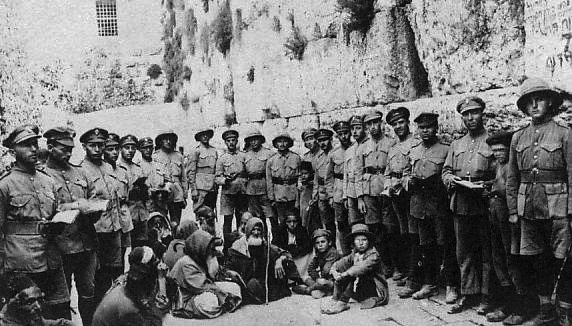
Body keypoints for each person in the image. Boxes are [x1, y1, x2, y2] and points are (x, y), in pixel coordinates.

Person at [506, 78, 572, 326]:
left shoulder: (565, 134)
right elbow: (512, 177)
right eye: (528, 102)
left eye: (539, 99)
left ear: (550, 102)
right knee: (537, 260)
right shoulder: (518, 138)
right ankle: (546, 311)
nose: (534, 105)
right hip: (528, 209)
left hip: (558, 208)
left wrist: (571, 211)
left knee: (563, 260)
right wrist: (513, 210)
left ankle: (565, 311)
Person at [0, 125, 70, 320]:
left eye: (35, 144)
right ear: (13, 151)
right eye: (26, 145)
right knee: (29, 316)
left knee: (60, 309)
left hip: (52, 258)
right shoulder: (5, 184)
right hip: (22, 263)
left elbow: (57, 213)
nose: (33, 149)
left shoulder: (47, 181)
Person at [44, 127, 103, 326]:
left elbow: (95, 200)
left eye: (71, 148)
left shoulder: (80, 172)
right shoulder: (43, 175)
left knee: (89, 294)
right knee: (61, 298)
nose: (68, 153)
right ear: (50, 147)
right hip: (61, 247)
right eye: (63, 148)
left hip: (86, 244)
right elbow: (44, 213)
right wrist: (70, 206)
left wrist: (93, 208)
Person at [443, 96, 496, 314]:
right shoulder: (456, 144)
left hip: (483, 205)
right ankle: (468, 294)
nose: (470, 118)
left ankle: (486, 297)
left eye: (474, 112)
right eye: (465, 114)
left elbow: (501, 173)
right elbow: (446, 170)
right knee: (463, 252)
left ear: (482, 113)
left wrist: (486, 185)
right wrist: (449, 179)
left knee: (486, 253)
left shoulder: (492, 141)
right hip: (461, 205)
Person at [401, 113, 459, 302]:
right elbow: (405, 173)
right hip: (419, 205)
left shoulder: (446, 149)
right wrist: (408, 180)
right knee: (425, 245)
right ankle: (429, 283)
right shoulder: (414, 150)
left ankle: (451, 285)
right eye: (422, 127)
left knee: (445, 244)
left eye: (429, 127)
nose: (425, 131)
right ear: (417, 129)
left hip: (438, 204)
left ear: (436, 128)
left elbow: (450, 173)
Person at [483, 131, 526, 324]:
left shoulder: (514, 165)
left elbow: (512, 189)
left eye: (501, 150)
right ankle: (507, 303)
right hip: (495, 213)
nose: (498, 154)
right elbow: (498, 183)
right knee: (498, 258)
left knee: (513, 260)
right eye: (495, 151)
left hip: (510, 216)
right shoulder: (497, 165)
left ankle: (520, 307)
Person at [79, 128, 125, 305]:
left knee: (117, 272)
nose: (97, 149)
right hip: (96, 231)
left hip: (114, 228)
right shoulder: (81, 170)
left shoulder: (108, 167)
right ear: (84, 147)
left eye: (101, 145)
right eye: (93, 145)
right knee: (99, 278)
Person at [354, 111, 396, 277]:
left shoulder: (392, 143)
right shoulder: (362, 148)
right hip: (369, 191)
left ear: (382, 124)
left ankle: (396, 265)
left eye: (375, 123)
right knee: (375, 230)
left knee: (390, 229)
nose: (372, 127)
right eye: (369, 124)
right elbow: (357, 173)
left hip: (387, 190)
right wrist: (360, 197)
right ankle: (383, 264)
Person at [169, 230, 242, 319]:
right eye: (209, 248)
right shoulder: (186, 263)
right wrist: (225, 296)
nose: (212, 250)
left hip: (204, 289)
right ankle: (222, 305)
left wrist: (228, 274)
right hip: (187, 298)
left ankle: (223, 305)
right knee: (210, 301)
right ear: (200, 247)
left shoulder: (202, 258)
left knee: (235, 287)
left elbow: (216, 275)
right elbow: (202, 286)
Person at [92, 246, 169, 326]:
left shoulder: (127, 278)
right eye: (155, 263)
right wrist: (161, 279)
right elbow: (159, 312)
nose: (159, 266)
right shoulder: (132, 287)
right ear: (146, 269)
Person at [384, 107, 419, 283]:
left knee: (414, 234)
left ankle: (414, 273)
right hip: (395, 194)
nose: (398, 126)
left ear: (407, 122)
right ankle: (405, 270)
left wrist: (403, 183)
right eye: (394, 124)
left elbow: (416, 169)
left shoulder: (416, 143)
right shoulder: (393, 147)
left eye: (401, 122)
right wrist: (388, 186)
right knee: (401, 233)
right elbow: (387, 172)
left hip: (410, 193)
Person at [322, 224, 389, 314]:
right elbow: (340, 263)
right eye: (358, 240)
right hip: (360, 288)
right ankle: (336, 299)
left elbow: (361, 267)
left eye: (364, 240)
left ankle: (342, 303)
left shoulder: (373, 255)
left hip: (374, 290)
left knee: (351, 274)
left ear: (369, 241)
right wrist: (334, 271)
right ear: (353, 242)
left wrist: (344, 274)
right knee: (344, 271)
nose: (361, 243)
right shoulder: (355, 253)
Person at [226, 217, 297, 303]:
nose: (256, 233)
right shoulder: (238, 246)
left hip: (262, 283)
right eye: (253, 230)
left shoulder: (265, 246)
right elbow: (228, 267)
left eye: (259, 230)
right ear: (248, 231)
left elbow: (285, 254)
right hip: (244, 282)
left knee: (255, 284)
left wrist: (279, 260)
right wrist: (231, 272)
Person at [103, 133, 133, 268]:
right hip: (108, 221)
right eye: (110, 149)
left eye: (116, 148)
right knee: (107, 262)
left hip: (123, 219)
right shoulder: (101, 170)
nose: (114, 152)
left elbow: (128, 195)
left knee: (121, 258)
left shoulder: (122, 171)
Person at [0, 274, 74, 326]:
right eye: (30, 302)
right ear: (13, 303)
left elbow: (48, 323)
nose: (38, 307)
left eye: (39, 300)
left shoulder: (30, 318)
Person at [266, 132, 301, 237]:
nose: (282, 144)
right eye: (279, 142)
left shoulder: (296, 158)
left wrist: (299, 194)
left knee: (295, 220)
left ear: (289, 143)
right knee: (282, 222)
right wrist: (271, 198)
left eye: (285, 141)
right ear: (275, 144)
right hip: (279, 195)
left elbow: (300, 176)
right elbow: (269, 180)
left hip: (293, 194)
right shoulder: (271, 160)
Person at [216, 129, 248, 240]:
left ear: (237, 141)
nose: (231, 143)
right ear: (225, 142)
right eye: (228, 140)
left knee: (241, 218)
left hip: (241, 193)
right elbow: (217, 178)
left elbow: (248, 173)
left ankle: (240, 242)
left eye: (233, 140)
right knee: (227, 220)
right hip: (228, 194)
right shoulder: (221, 159)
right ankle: (227, 245)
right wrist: (225, 179)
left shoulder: (244, 156)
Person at [119, 135, 150, 249]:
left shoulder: (138, 168)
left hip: (141, 213)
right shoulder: (117, 168)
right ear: (120, 149)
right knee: (123, 248)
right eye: (127, 147)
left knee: (140, 247)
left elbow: (146, 192)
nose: (130, 151)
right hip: (127, 213)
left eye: (133, 148)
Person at [292, 229, 342, 299]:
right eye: (317, 243)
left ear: (329, 242)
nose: (320, 245)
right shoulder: (319, 253)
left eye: (323, 242)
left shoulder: (333, 253)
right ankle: (316, 287)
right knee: (305, 278)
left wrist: (319, 281)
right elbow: (311, 268)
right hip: (324, 279)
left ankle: (308, 290)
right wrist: (317, 278)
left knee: (317, 291)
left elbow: (326, 270)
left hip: (335, 281)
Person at [153, 129, 187, 227]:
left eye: (170, 139)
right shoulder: (155, 156)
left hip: (177, 193)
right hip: (162, 193)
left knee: (176, 222)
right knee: (162, 221)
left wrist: (184, 196)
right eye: (165, 139)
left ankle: (175, 240)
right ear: (160, 141)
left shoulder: (178, 156)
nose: (168, 142)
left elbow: (183, 178)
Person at [243, 127, 275, 232]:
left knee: (271, 216)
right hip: (251, 189)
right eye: (251, 140)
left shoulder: (269, 153)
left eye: (256, 139)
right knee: (257, 217)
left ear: (261, 140)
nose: (253, 142)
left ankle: (277, 240)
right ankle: (261, 239)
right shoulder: (246, 155)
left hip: (265, 187)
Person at [328, 121, 353, 255]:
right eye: (340, 134)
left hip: (353, 190)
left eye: (346, 133)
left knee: (355, 223)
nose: (344, 136)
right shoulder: (333, 154)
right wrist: (331, 195)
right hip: (338, 192)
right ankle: (346, 253)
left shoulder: (356, 148)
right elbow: (329, 177)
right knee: (342, 225)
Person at [272, 211, 313, 279]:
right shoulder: (280, 231)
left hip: (298, 257)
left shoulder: (302, 230)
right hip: (283, 256)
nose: (292, 224)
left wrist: (293, 253)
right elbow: (274, 246)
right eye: (289, 222)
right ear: (285, 222)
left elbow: (307, 247)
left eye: (294, 221)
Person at [312, 128, 336, 241]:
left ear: (330, 139)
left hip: (335, 190)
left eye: (325, 140)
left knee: (340, 221)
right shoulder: (318, 157)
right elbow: (316, 178)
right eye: (320, 140)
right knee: (327, 222)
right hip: (322, 194)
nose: (322, 143)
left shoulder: (335, 153)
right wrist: (314, 194)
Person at [187, 127, 218, 212]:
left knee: (211, 214)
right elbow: (191, 172)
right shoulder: (195, 151)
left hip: (212, 188)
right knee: (201, 213)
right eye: (202, 135)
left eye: (207, 134)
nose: (205, 137)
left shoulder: (214, 150)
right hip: (200, 188)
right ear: (199, 137)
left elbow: (216, 169)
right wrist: (193, 190)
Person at [343, 115, 366, 226]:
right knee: (354, 223)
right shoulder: (349, 150)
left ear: (364, 128)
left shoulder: (367, 145)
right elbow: (345, 175)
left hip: (365, 189)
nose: (354, 132)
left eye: (358, 128)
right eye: (352, 129)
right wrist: (345, 196)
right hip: (351, 191)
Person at [136, 137, 165, 213]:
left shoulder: (159, 165)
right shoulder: (137, 167)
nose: (148, 150)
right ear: (140, 150)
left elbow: (166, 181)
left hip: (161, 202)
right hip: (146, 204)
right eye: (145, 148)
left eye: (150, 147)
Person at [299, 128, 320, 227]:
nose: (309, 142)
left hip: (321, 189)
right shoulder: (305, 157)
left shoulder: (322, 154)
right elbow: (301, 173)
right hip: (308, 190)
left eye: (311, 138)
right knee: (307, 216)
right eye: (306, 139)